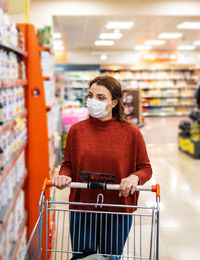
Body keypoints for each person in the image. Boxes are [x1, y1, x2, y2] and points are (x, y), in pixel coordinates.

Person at [52, 75, 152, 257]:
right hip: (82, 206)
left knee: (110, 256)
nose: (93, 101)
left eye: (100, 98)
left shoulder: (131, 133)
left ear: (114, 103)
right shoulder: (77, 131)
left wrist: (134, 177)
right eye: (90, 95)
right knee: (83, 257)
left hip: (118, 209)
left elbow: (145, 168)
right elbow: (67, 164)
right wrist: (63, 175)